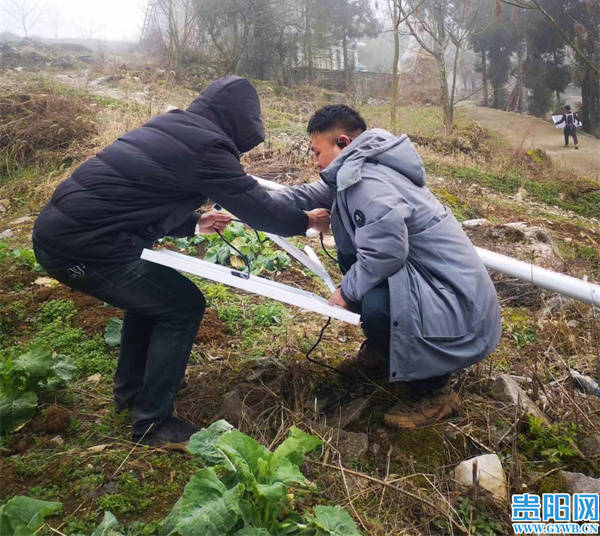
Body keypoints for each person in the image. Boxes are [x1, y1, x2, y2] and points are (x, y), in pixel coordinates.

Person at [32, 76, 329, 446]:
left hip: (66, 235)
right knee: (182, 304)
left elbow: (140, 195)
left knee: (151, 300)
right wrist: (305, 221)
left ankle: (132, 394)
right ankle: (153, 424)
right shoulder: (208, 148)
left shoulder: (172, 127)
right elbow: (261, 209)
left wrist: (193, 222)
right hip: (83, 248)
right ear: (238, 121)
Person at [272, 105, 502, 428]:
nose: (314, 162)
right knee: (363, 276)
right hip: (442, 290)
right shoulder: (360, 169)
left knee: (376, 304)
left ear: (342, 143)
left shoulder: (367, 181)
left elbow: (387, 252)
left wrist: (346, 292)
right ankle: (387, 352)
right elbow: (307, 195)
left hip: (458, 307)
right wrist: (247, 198)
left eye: (317, 152)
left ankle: (435, 392)